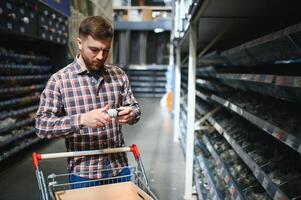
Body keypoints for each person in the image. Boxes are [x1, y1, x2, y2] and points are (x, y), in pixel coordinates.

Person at [35, 16, 141, 188]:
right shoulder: (60, 80)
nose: (100, 56)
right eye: (94, 49)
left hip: (119, 168)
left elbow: (135, 108)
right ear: (79, 43)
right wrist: (82, 120)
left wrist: (132, 114)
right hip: (84, 173)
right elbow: (42, 126)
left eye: (106, 50)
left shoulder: (118, 75)